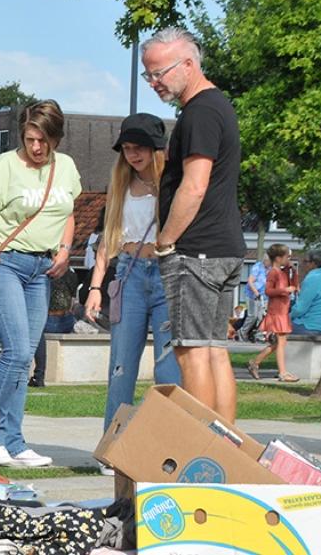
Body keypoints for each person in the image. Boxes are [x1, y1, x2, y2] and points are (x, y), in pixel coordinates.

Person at [0, 100, 81, 468]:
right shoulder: (6, 165)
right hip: (4, 263)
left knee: (25, 359)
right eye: (30, 139)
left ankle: (15, 440)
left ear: (55, 137)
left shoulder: (66, 167)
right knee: (18, 352)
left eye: (43, 140)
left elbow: (67, 213)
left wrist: (65, 248)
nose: (37, 147)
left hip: (41, 269)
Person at [142, 27, 246, 423]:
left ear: (188, 64)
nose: (154, 82)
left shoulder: (200, 111)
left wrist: (166, 240)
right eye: (147, 75)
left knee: (192, 352)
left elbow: (195, 184)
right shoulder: (217, 106)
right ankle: (225, 450)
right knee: (214, 349)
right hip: (222, 248)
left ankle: (202, 452)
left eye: (160, 73)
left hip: (196, 251)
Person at [83, 113, 182, 434]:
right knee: (121, 367)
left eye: (139, 147)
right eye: (126, 148)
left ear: (157, 148)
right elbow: (106, 242)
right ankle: (113, 445)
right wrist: (95, 288)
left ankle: (168, 444)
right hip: (129, 275)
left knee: (168, 369)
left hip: (168, 273)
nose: (133, 155)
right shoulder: (122, 184)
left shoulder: (172, 183)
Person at [246, 244, 299, 382]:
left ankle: (255, 363)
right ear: (278, 258)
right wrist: (284, 291)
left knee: (280, 343)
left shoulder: (283, 272)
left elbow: (295, 286)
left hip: (283, 309)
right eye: (287, 256)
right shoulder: (273, 272)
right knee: (281, 342)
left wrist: (293, 271)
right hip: (276, 311)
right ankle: (282, 373)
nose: (289, 259)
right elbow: (268, 291)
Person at [31, 267, 81, 388]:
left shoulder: (42, 274)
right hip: (67, 320)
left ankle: (39, 375)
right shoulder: (70, 274)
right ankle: (39, 376)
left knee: (34, 328)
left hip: (48, 320)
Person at [290, 250, 321, 335]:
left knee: (279, 327)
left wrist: (287, 317)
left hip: (311, 325)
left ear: (313, 263)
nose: (303, 265)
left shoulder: (313, 278)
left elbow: (300, 309)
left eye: (305, 261)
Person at [240, 256, 270, 342]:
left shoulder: (271, 269)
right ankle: (242, 333)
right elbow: (250, 281)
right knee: (253, 316)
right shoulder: (257, 267)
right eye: (270, 261)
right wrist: (256, 293)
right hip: (252, 295)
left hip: (264, 296)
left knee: (262, 316)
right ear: (265, 260)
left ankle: (257, 335)